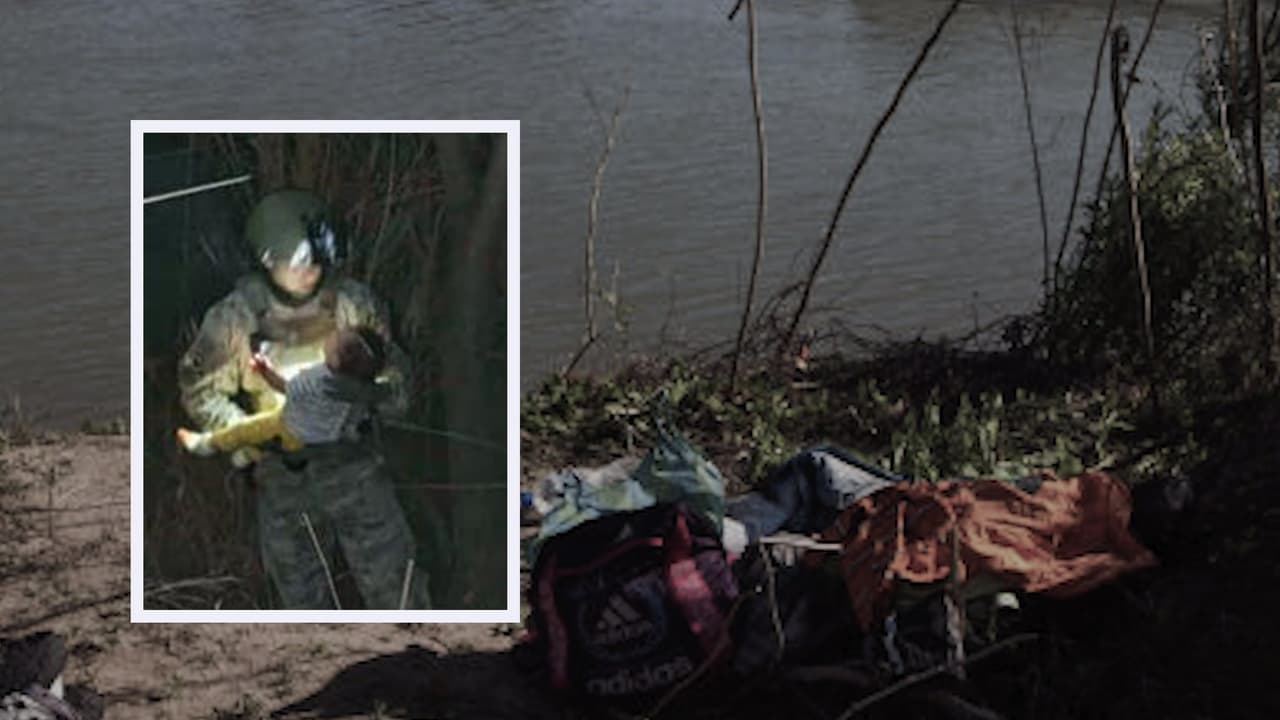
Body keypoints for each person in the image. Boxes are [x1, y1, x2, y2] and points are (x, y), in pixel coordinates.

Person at [177, 189, 431, 610]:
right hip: (284, 481)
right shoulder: (233, 319)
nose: (310, 272)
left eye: (318, 259)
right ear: (266, 258)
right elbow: (200, 390)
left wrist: (372, 395)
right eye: (298, 262)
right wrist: (249, 441)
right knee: (302, 604)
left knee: (398, 591)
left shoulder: (353, 303)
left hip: (356, 471)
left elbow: (397, 381)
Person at [176, 326, 389, 457]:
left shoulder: (316, 381)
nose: (334, 333)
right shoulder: (354, 388)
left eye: (338, 337)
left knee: (248, 428)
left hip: (294, 432)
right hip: (326, 435)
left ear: (335, 359)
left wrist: (264, 370)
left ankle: (209, 444)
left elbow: (283, 387)